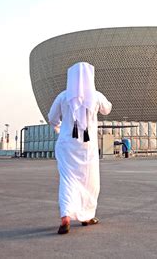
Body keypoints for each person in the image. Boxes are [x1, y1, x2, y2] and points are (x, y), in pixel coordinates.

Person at [48, 62, 112, 235]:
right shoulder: (96, 96)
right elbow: (107, 109)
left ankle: (66, 217)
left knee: (68, 180)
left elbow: (52, 117)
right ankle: (86, 216)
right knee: (90, 181)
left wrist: (59, 127)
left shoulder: (63, 96)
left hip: (67, 145)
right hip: (87, 147)